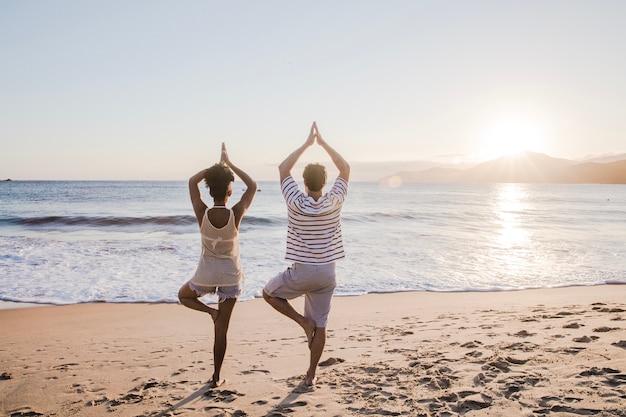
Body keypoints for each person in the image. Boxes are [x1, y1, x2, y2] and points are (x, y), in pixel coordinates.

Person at [263, 121, 350, 386]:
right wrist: (323, 144)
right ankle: (311, 376)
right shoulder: (335, 200)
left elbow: (282, 168)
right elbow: (345, 168)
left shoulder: (295, 201)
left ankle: (302, 323)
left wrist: (306, 144)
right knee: (321, 324)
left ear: (303, 182)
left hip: (301, 272)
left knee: (269, 293)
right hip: (327, 273)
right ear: (325, 182)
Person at [178, 143, 257, 388]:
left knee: (184, 296)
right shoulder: (236, 213)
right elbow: (253, 186)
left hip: (206, 275)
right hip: (231, 277)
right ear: (230, 191)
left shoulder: (202, 211)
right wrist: (229, 163)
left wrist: (216, 167)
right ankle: (216, 376)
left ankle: (211, 312)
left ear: (210, 190)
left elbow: (192, 182)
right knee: (222, 330)